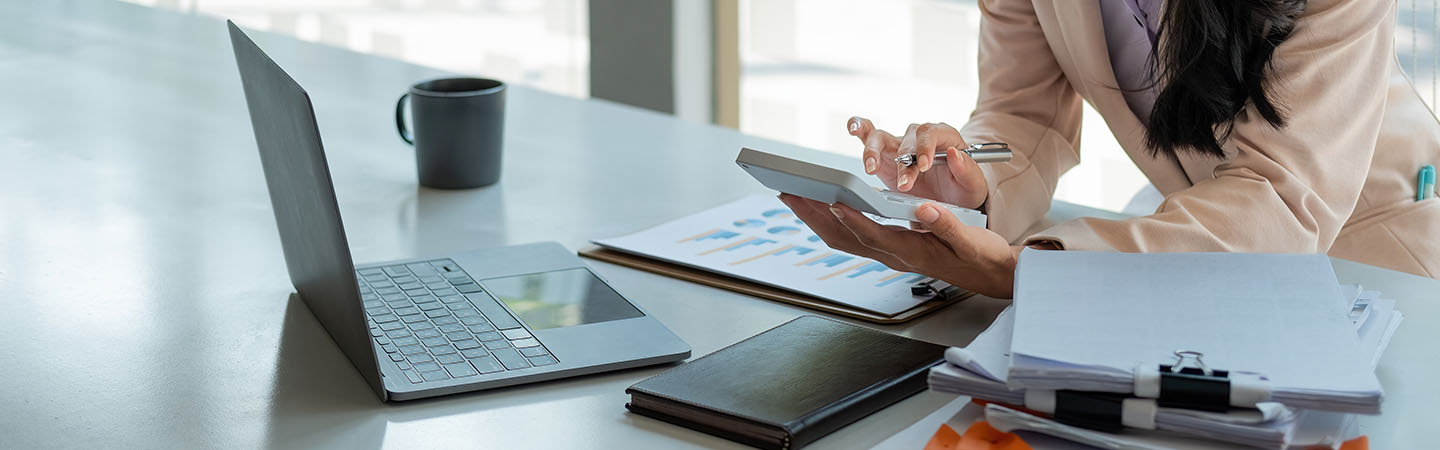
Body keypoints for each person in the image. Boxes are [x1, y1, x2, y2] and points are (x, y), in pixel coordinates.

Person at [781, 0, 1440, 298]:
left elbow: (1278, 195)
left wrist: (1039, 271)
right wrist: (971, 185)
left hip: (1377, 249)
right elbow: (1022, 113)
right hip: (1205, 256)